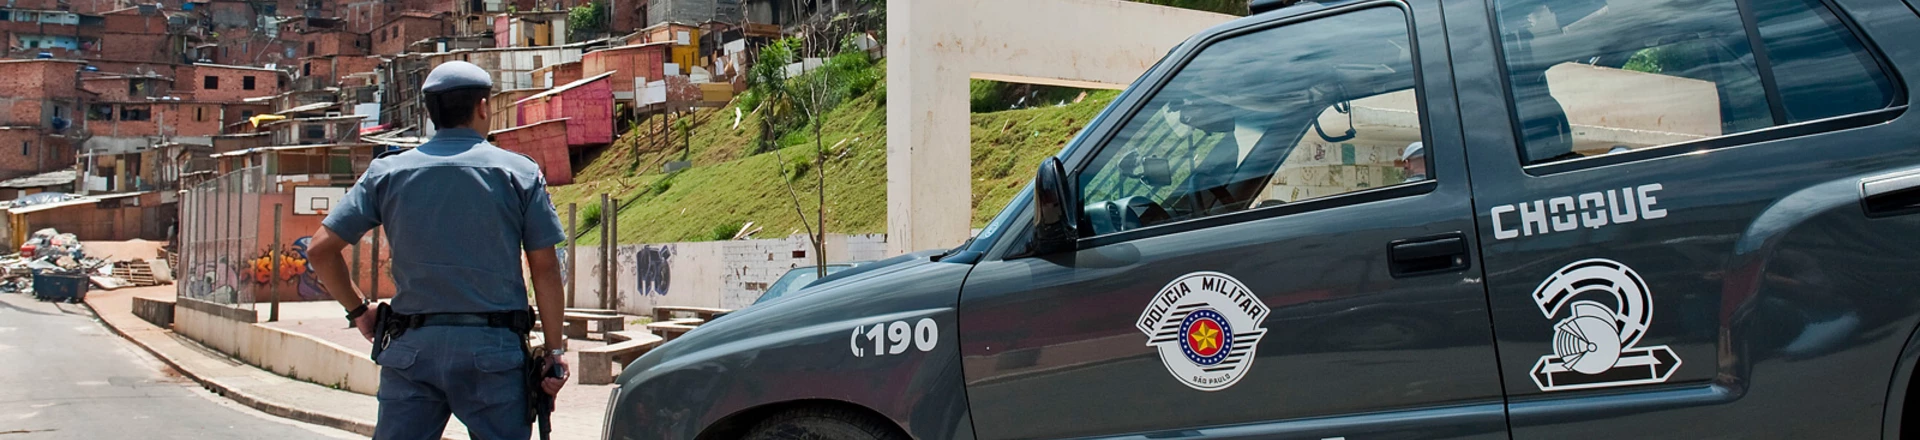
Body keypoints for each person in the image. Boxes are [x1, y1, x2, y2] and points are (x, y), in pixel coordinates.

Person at [306, 60, 571, 440]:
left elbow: (320, 250)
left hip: (410, 351)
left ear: (430, 112)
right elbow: (544, 268)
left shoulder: (387, 172)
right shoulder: (518, 173)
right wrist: (554, 351)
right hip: (494, 354)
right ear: (483, 107)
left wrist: (359, 311)